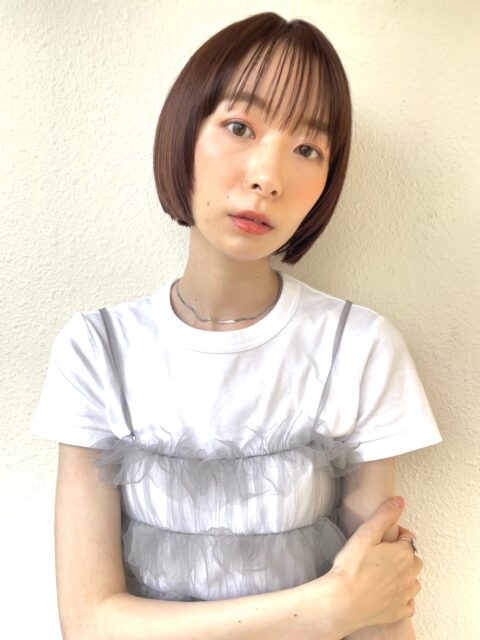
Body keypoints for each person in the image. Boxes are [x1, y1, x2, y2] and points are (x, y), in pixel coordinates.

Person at [29, 12, 442, 640]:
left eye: (307, 149)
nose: (267, 178)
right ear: (185, 133)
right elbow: (89, 623)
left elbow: (379, 607)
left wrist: (354, 605)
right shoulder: (99, 348)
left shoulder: (357, 346)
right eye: (239, 127)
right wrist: (327, 608)